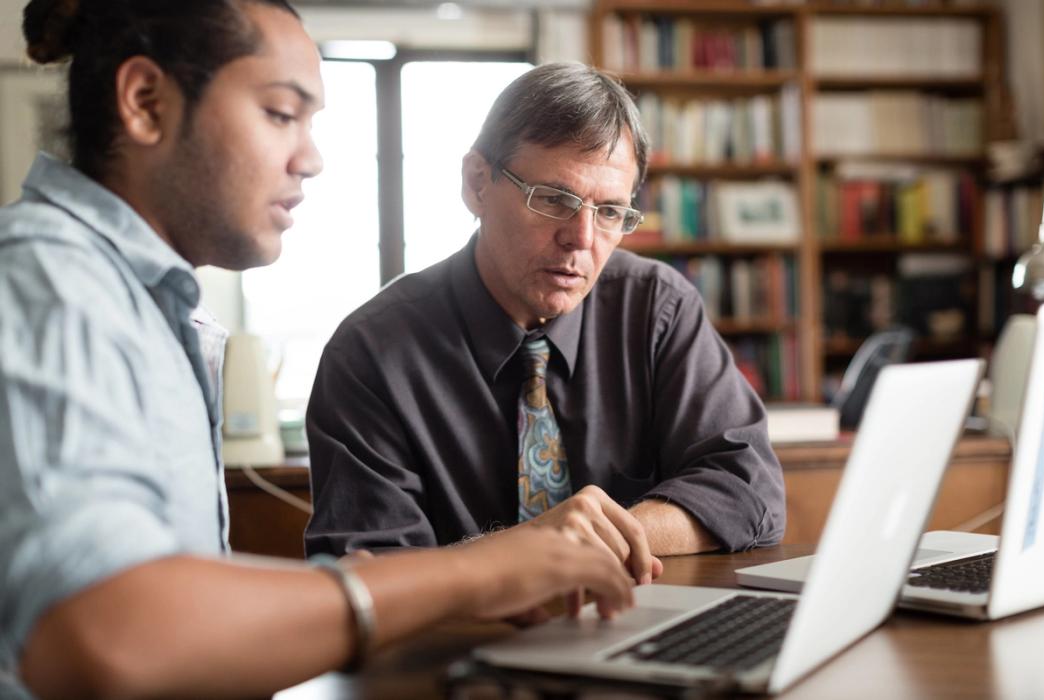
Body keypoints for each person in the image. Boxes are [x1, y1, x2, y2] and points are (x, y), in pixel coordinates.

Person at [0, 3, 636, 698]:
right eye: (280, 114)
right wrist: (480, 571)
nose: (312, 159)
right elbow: (107, 632)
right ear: (146, 102)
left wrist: (453, 590)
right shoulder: (47, 283)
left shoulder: (141, 302)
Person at [306, 62, 787, 584]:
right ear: (476, 184)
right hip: (454, 651)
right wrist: (536, 549)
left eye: (609, 212)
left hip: (635, 628)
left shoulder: (655, 308)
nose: (581, 239)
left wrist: (601, 535)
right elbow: (367, 573)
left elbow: (749, 485)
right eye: (554, 200)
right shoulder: (371, 353)